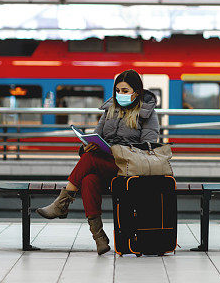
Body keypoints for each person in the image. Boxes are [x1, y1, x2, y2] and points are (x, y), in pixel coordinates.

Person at [36, 69, 160, 254]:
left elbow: (147, 148)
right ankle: (99, 237)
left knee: (91, 160)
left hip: (130, 167)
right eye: (117, 90)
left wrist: (115, 150)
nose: (120, 95)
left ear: (136, 91)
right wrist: (87, 146)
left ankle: (62, 204)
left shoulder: (148, 114)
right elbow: (97, 136)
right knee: (88, 179)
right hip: (106, 165)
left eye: (125, 91)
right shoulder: (109, 110)